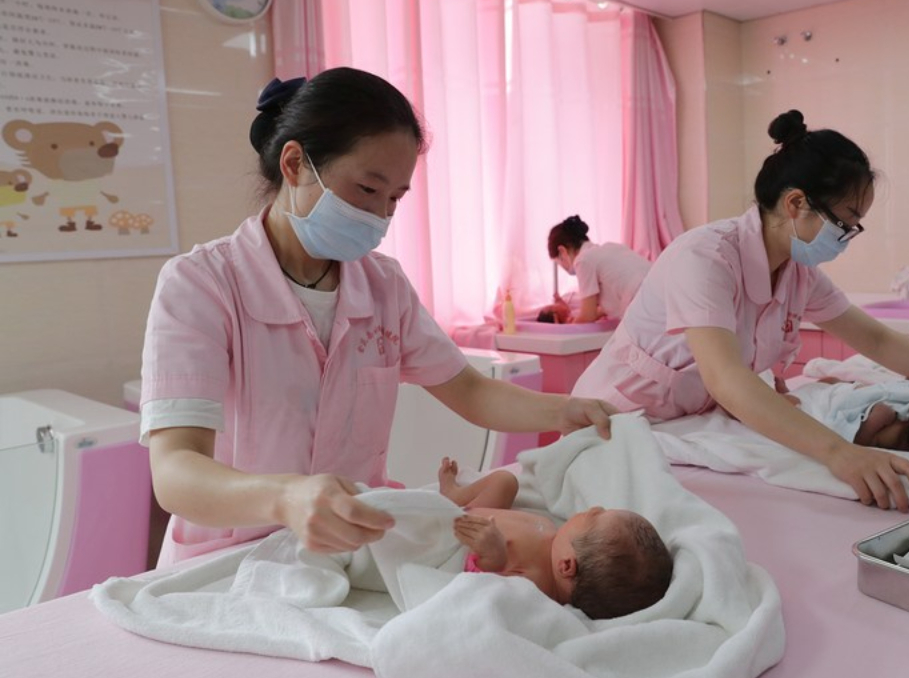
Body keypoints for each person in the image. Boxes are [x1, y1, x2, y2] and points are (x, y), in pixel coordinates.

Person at [140, 68, 616, 565]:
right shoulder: (202, 284)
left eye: (394, 199)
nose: (380, 216)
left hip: (350, 552)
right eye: (367, 190)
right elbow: (175, 469)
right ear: (296, 163)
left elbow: (470, 390)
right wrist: (285, 498)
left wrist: (565, 411)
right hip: (229, 556)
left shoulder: (383, 286)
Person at [573, 109, 909, 512]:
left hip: (685, 427)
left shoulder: (796, 270)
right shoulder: (705, 257)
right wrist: (838, 453)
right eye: (844, 222)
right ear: (796, 203)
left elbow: (875, 340)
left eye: (855, 227)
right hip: (611, 423)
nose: (847, 237)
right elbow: (726, 377)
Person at [438, 458, 673, 620]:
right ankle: (455, 496)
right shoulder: (553, 533)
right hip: (470, 514)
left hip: (458, 538)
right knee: (505, 481)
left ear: (567, 565)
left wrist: (493, 558)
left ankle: (450, 503)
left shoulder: (536, 584)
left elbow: (488, 591)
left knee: (502, 482)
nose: (595, 507)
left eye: (593, 517)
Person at [792, 378, 909, 458]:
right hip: (854, 392)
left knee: (807, 399)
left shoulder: (884, 421)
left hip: (836, 401)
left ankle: (791, 396)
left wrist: (870, 426)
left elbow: (853, 440)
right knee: (834, 383)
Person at [546, 214, 651, 323]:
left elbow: (588, 316)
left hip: (646, 305)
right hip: (660, 290)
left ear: (562, 252)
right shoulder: (610, 248)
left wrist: (567, 327)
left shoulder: (583, 261)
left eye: (559, 263)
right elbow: (605, 305)